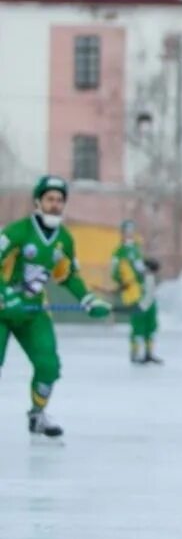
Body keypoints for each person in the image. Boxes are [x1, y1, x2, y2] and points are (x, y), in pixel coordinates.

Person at [0, 176, 111, 439]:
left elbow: (67, 274)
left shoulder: (64, 239)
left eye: (60, 200)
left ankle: (37, 415)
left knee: (48, 365)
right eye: (50, 199)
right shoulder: (16, 231)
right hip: (3, 311)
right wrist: (5, 293)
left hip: (33, 312)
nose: (55, 205)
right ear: (38, 201)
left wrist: (88, 299)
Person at [110, 220, 162, 365]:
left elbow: (141, 269)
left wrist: (149, 267)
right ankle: (135, 353)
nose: (130, 233)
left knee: (150, 323)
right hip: (133, 294)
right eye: (127, 230)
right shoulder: (119, 252)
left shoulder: (137, 249)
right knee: (137, 324)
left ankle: (149, 353)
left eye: (132, 230)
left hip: (146, 291)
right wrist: (122, 281)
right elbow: (114, 272)